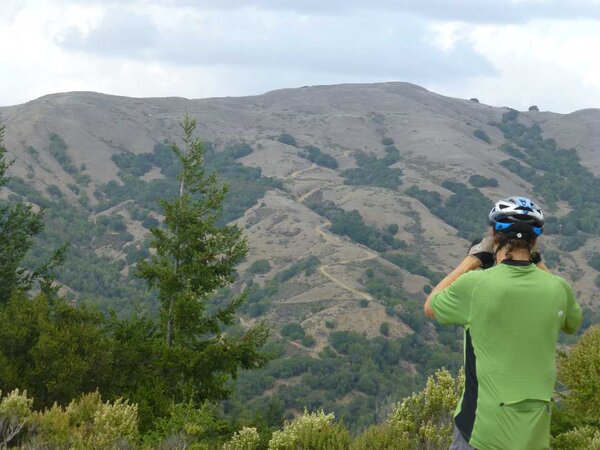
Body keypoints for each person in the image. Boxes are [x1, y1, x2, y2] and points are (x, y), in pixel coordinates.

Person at [424, 196, 582, 450]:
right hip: (534, 434)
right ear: (536, 241)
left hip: (480, 430)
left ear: (494, 237)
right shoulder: (558, 288)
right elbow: (573, 322)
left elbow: (431, 305)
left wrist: (472, 259)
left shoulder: (476, 285)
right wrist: (537, 262)